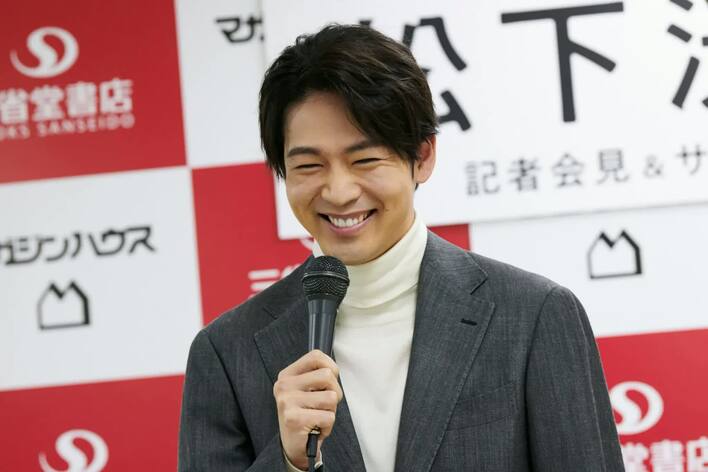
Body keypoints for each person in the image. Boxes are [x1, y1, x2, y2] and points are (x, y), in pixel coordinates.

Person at [178, 24, 624, 472]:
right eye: (309, 165)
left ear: (423, 156)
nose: (338, 191)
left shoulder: (533, 314)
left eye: (365, 160)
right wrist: (289, 462)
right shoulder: (226, 351)